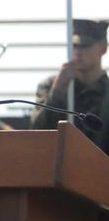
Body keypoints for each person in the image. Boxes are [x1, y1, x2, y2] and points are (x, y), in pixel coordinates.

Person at [31, 19, 109, 154]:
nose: (78, 52)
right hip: (63, 168)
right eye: (74, 45)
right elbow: (37, 131)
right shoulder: (51, 86)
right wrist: (57, 91)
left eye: (85, 45)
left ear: (103, 48)